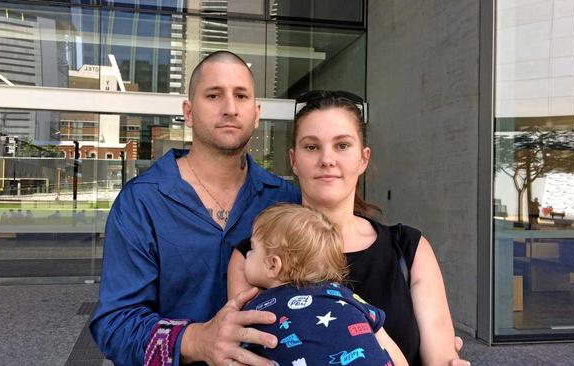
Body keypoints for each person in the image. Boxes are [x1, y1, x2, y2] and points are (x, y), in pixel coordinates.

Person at [89, 50, 301, 366]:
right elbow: (115, 324)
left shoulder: (284, 199)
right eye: (214, 95)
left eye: (240, 96)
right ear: (188, 112)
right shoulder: (141, 202)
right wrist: (197, 340)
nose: (230, 108)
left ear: (256, 113)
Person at [228, 90, 468, 366]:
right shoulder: (254, 254)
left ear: (363, 158)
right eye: (311, 147)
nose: (327, 159)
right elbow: (250, 352)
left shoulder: (408, 249)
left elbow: (441, 359)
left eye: (342, 145)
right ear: (294, 160)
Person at [239, 203, 407, 366]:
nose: (247, 254)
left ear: (273, 265)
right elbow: (390, 348)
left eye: (252, 248)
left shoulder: (257, 310)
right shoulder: (344, 295)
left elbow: (241, 356)